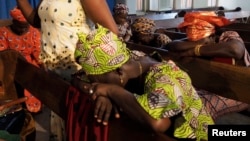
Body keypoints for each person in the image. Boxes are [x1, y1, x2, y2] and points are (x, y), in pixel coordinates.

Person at [72, 24, 249, 141]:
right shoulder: (131, 59)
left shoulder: (165, 77)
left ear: (119, 72)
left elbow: (158, 122)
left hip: (197, 133)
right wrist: (98, 92)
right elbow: (78, 77)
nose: (94, 83)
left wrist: (112, 92)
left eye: (97, 81)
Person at [16, 0, 120, 140]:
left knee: (78, 132)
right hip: (56, 79)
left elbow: (111, 33)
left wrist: (105, 82)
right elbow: (39, 20)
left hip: (82, 78)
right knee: (61, 130)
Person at [160, 11, 250, 67]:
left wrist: (192, 51)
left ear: (211, 35)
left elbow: (235, 49)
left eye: (200, 38)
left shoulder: (227, 35)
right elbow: (173, 45)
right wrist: (200, 43)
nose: (195, 41)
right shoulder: (198, 41)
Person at [0, 7, 42, 113]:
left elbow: (38, 53)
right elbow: (3, 53)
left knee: (32, 76)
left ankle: (32, 108)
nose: (23, 30)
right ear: (14, 22)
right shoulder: (3, 32)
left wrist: (43, 67)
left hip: (29, 63)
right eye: (20, 27)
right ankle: (12, 107)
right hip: (9, 64)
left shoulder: (33, 32)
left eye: (25, 27)